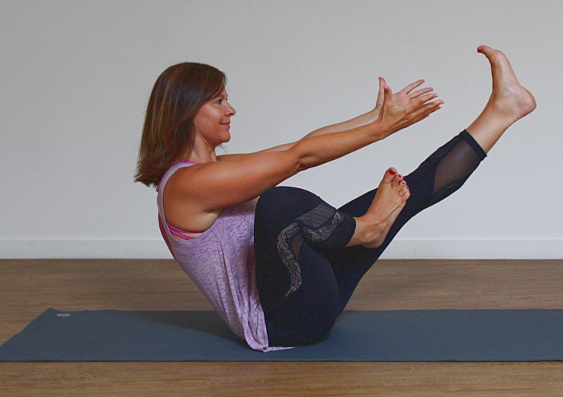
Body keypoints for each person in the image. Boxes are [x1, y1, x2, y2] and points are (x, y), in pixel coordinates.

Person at [135, 45, 536, 351]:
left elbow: (300, 144)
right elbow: (299, 160)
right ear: (187, 111)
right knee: (279, 204)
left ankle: (503, 110)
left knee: (409, 190)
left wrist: (377, 118)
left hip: (305, 292)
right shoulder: (186, 186)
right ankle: (367, 229)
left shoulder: (216, 171)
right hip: (283, 322)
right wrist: (380, 131)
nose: (231, 109)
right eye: (219, 100)